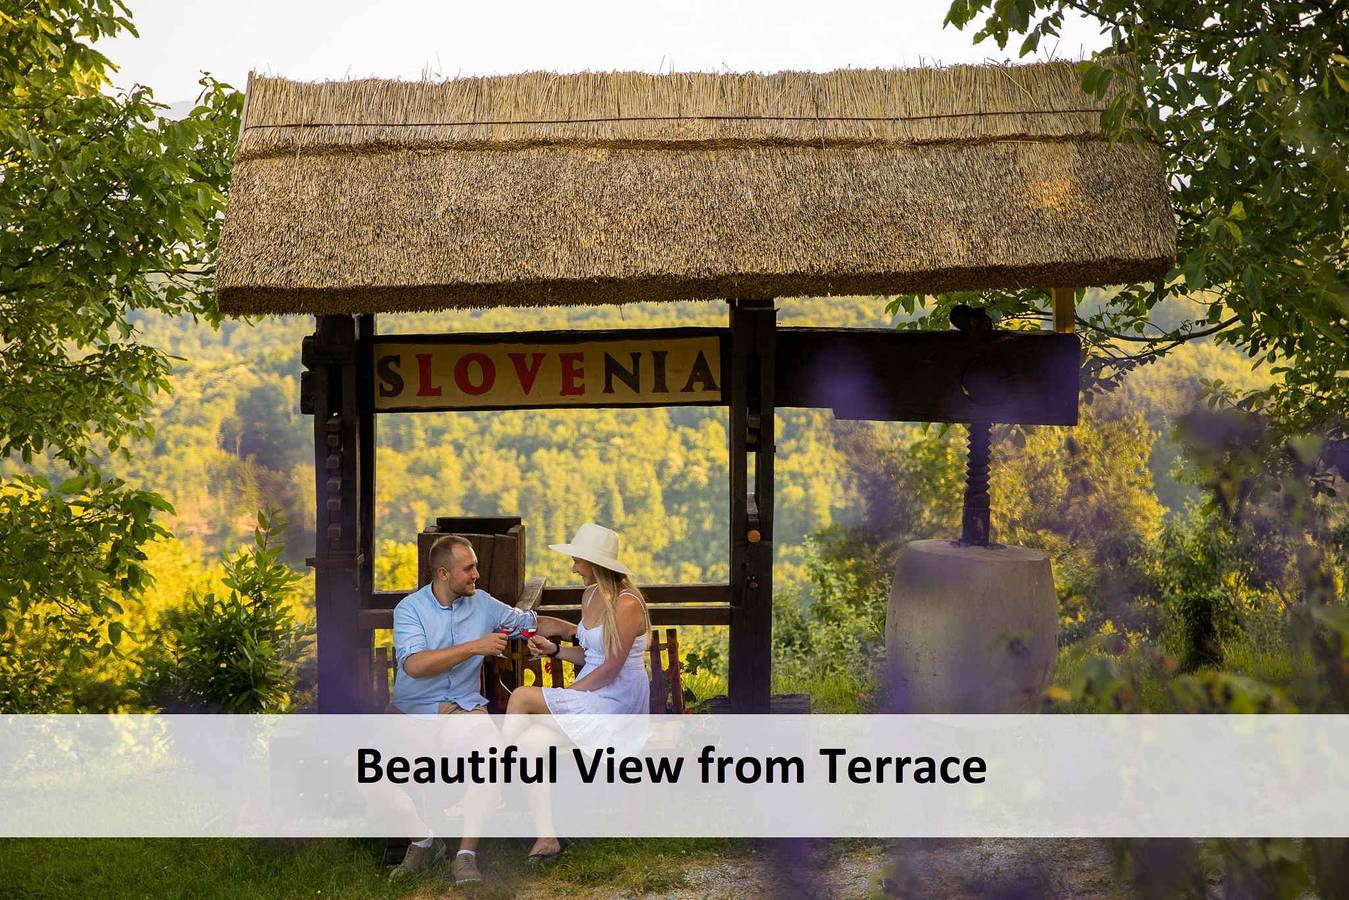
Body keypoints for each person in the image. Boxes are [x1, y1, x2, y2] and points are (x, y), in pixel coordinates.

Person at [388, 533, 576, 885]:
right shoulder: (410, 609)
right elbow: (414, 665)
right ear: (444, 574)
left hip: (463, 710)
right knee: (360, 769)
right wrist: (475, 647)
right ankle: (423, 840)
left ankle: (465, 854)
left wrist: (579, 633)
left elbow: (529, 622)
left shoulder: (485, 604)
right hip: (413, 712)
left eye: (476, 566)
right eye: (468, 568)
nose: (477, 574)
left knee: (491, 756)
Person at [504, 522, 652, 862]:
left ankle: (492, 779)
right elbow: (590, 655)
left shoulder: (628, 604)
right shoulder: (590, 595)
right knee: (529, 744)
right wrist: (555, 651)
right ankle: (547, 837)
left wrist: (567, 695)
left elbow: (611, 668)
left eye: (578, 561)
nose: (573, 567)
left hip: (618, 702)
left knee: (523, 697)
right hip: (594, 693)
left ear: (594, 563)